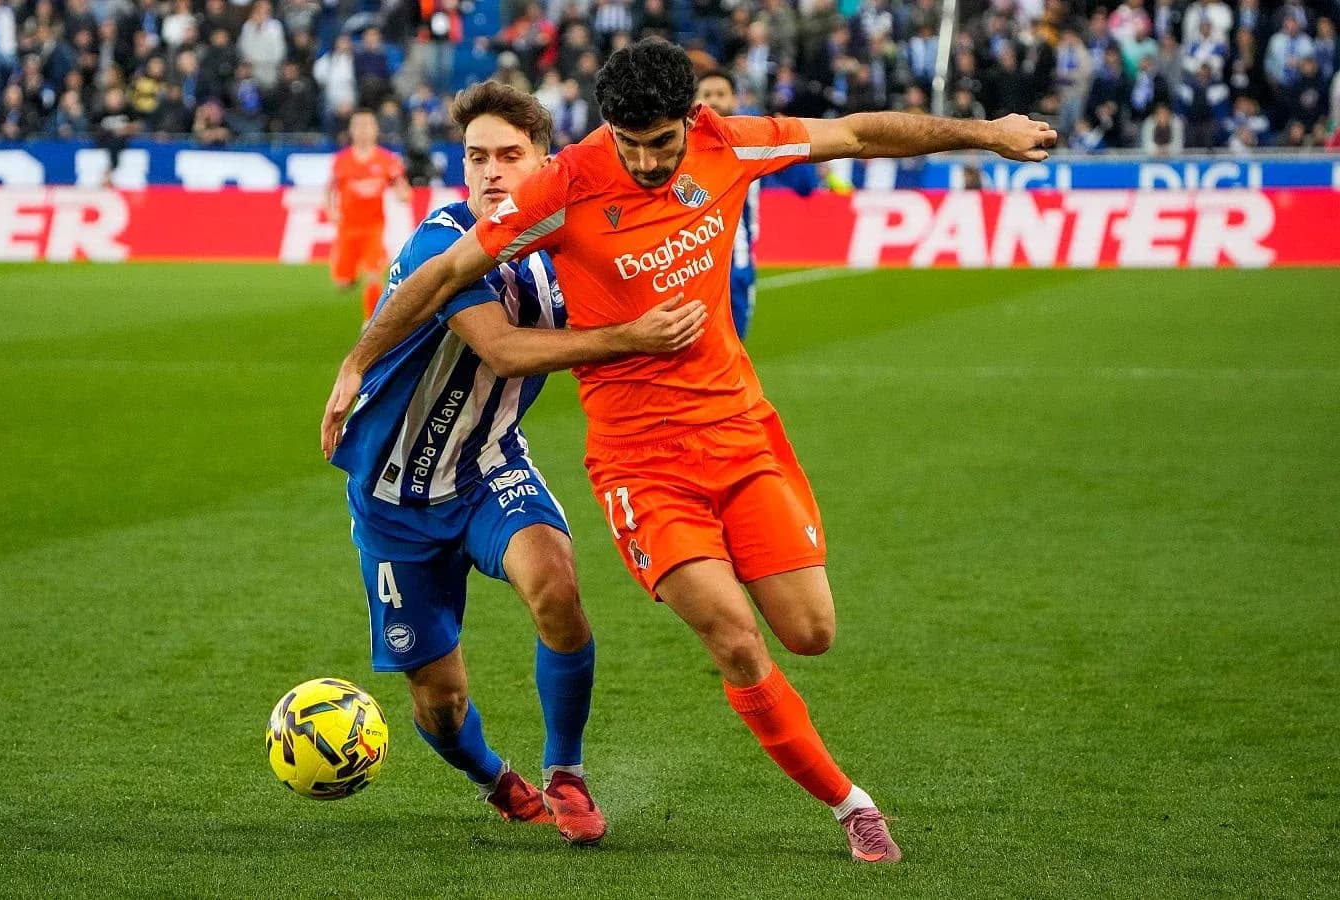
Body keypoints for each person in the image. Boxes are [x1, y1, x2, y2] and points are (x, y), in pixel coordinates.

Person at [323, 39, 1057, 864]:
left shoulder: (728, 144)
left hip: (724, 436)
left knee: (809, 632)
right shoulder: (559, 194)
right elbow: (451, 285)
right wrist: (357, 358)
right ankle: (848, 805)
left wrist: (987, 132)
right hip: (616, 467)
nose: (642, 161)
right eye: (626, 143)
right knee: (719, 640)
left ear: (691, 122)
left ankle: (569, 758)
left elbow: (854, 133)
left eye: (659, 144)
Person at [324, 82, 707, 845]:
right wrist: (634, 335)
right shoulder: (443, 243)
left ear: (545, 162)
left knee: (557, 587)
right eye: (477, 157)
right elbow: (501, 347)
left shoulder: (568, 240)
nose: (492, 171)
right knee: (439, 701)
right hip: (395, 501)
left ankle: (566, 772)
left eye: (510, 155)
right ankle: (495, 777)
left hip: (489, 468)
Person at [695, 69, 762, 340]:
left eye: (721, 94)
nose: (714, 101)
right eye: (707, 95)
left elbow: (803, 185)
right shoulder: (681, 148)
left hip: (738, 262)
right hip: (694, 265)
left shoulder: (755, 141)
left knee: (734, 349)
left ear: (735, 99)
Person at [327, 109, 411, 319]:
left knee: (374, 274)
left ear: (376, 130)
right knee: (343, 283)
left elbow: (402, 187)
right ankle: (349, 275)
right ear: (351, 130)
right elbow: (330, 189)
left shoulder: (387, 160)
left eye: (367, 126)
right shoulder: (342, 160)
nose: (363, 131)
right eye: (359, 126)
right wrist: (331, 210)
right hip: (347, 227)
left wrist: (403, 194)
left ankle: (370, 321)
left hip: (374, 226)